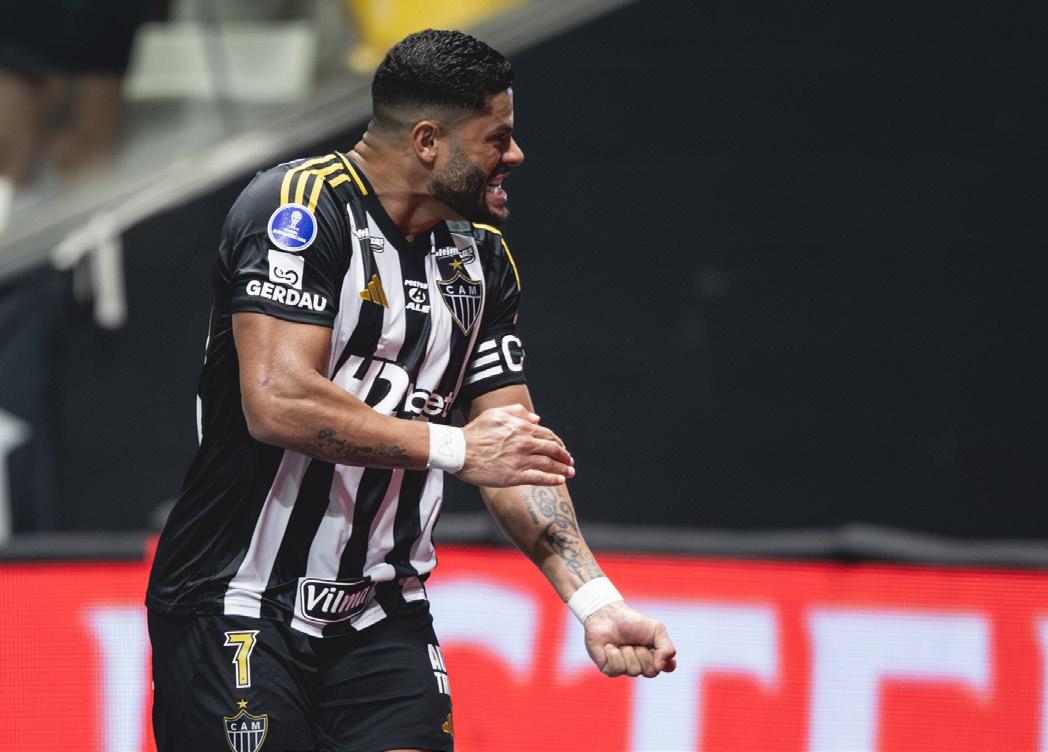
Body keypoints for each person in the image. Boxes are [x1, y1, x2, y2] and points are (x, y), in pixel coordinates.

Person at [145, 28, 676, 752]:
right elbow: (277, 401)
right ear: (428, 141)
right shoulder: (298, 209)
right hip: (236, 599)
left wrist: (595, 600)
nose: (515, 156)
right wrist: (455, 448)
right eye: (497, 139)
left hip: (380, 613)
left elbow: (513, 454)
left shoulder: (481, 261)